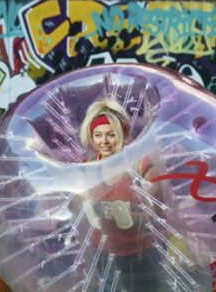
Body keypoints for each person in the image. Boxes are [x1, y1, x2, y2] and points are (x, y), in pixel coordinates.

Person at [76, 98, 169, 292]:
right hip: (104, 254)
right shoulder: (87, 168)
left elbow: (157, 215)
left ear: (122, 134)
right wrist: (89, 208)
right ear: (91, 137)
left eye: (111, 135)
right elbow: (78, 208)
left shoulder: (141, 165)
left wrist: (128, 216)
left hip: (142, 254)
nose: (105, 142)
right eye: (98, 135)